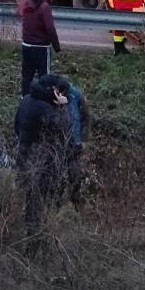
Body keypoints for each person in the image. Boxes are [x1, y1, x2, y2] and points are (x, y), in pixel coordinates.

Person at [14, 76, 70, 245]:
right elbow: (63, 129)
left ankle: (32, 237)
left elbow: (16, 126)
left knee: (30, 200)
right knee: (39, 204)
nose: (60, 94)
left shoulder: (25, 100)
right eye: (59, 91)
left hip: (24, 156)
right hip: (41, 162)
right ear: (52, 89)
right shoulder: (45, 108)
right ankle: (36, 243)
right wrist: (63, 106)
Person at [44, 75, 90, 208]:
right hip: (58, 144)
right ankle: (56, 204)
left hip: (74, 143)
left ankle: (75, 203)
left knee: (75, 175)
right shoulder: (52, 96)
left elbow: (86, 119)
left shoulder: (77, 96)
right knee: (56, 175)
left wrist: (84, 140)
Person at [18, 0, 60, 96]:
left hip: (26, 45)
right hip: (42, 47)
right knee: (44, 77)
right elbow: (50, 28)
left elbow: (20, 15)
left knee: (27, 75)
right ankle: (44, 99)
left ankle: (25, 98)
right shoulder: (44, 7)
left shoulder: (25, 4)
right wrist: (56, 46)